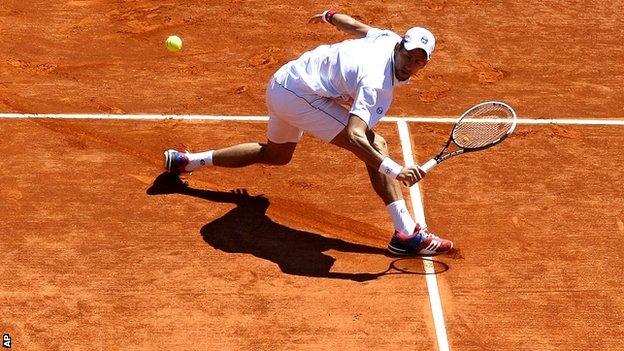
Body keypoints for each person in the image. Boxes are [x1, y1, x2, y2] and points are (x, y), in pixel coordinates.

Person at [163, 10, 453, 256]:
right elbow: (355, 137)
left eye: (419, 61)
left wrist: (331, 16)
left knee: (276, 155)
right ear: (400, 46)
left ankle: (186, 162)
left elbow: (357, 28)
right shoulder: (376, 83)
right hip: (300, 96)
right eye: (408, 56)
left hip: (285, 80)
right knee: (376, 143)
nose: (410, 64)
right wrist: (394, 170)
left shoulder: (386, 38)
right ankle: (405, 234)